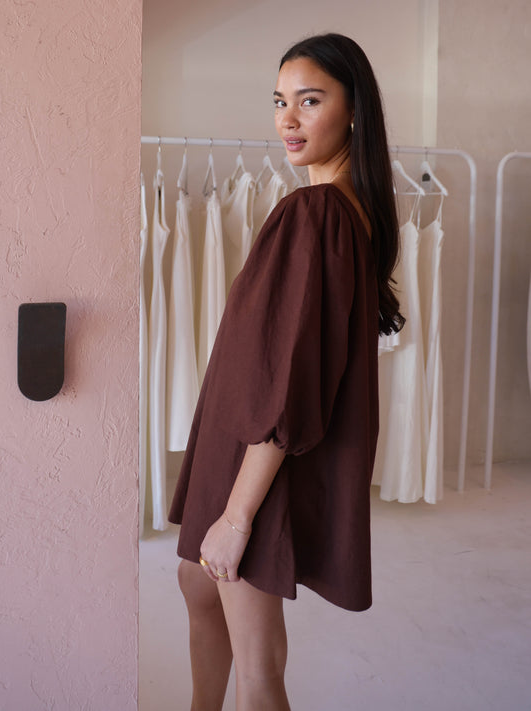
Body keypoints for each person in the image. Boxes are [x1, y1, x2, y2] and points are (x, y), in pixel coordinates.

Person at [168, 32, 404, 711]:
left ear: (353, 111)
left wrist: (238, 515)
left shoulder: (317, 213)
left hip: (257, 457)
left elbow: (290, 376)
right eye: (279, 101)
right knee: (197, 584)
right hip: (235, 441)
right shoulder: (339, 211)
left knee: (259, 665)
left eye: (310, 100)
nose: (288, 120)